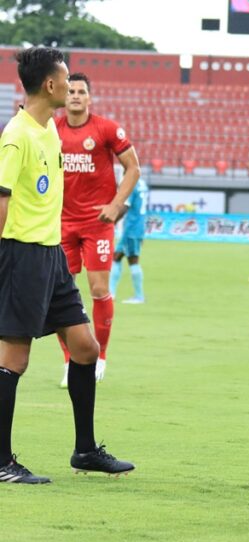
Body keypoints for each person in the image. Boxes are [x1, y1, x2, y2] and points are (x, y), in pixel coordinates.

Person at [0, 47, 134, 484]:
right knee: (14, 359)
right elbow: (1, 200)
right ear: (52, 85)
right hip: (21, 255)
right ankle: (2, 463)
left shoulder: (49, 131)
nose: (71, 85)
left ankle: (84, 450)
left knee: (85, 348)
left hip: (51, 255)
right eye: (65, 78)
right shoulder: (18, 134)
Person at [56, 72, 141, 385]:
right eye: (71, 91)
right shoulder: (52, 130)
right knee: (60, 294)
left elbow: (133, 167)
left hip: (97, 223)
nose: (76, 96)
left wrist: (116, 204)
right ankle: (69, 361)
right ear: (64, 97)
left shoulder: (106, 129)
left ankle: (100, 357)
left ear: (90, 97)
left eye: (81, 91)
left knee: (99, 290)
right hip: (61, 224)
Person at [109, 178, 149, 304]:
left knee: (129, 259)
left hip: (131, 228)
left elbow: (125, 207)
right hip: (139, 226)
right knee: (119, 257)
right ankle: (112, 294)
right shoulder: (142, 183)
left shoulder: (132, 184)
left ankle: (138, 296)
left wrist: (112, 221)